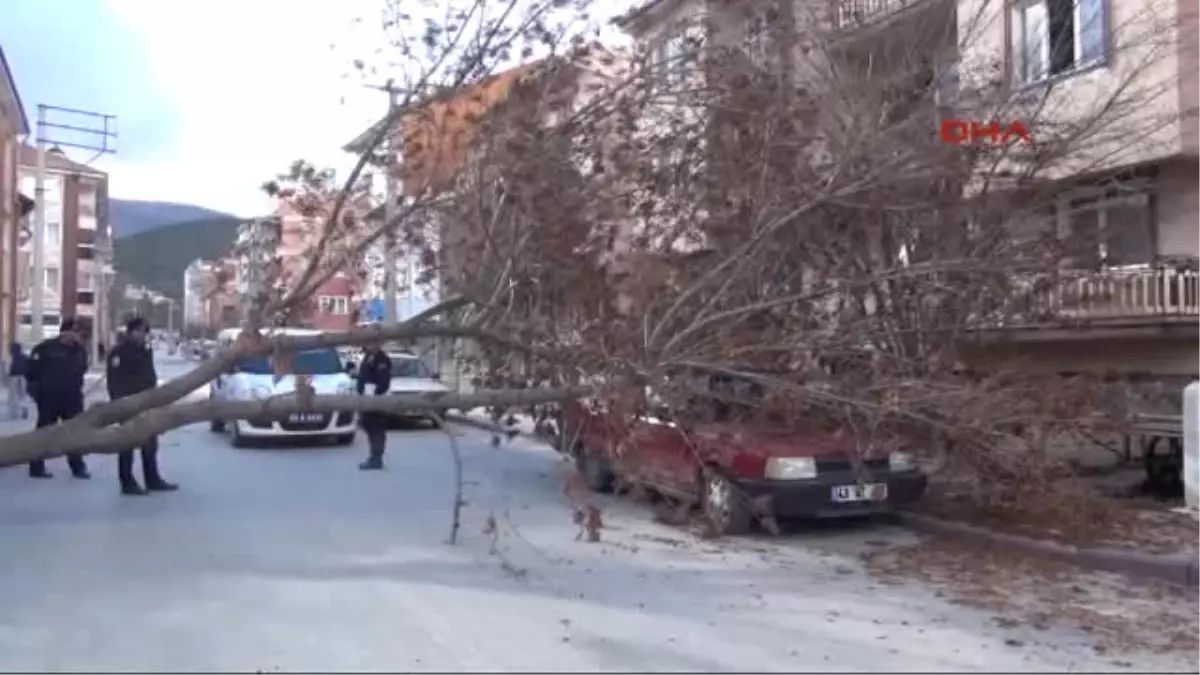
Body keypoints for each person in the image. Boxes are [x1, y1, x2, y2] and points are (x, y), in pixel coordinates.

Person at [107, 317, 177, 495]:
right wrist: (119, 404)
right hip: (128, 404)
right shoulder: (119, 352)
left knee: (150, 444)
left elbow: (150, 376)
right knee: (127, 445)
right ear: (130, 332)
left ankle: (152, 479)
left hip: (147, 404)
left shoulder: (145, 351)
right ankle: (127, 482)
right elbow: (114, 381)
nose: (142, 335)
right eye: (138, 331)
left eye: (145, 332)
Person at [26, 317, 90, 479]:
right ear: (64, 331)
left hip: (72, 399)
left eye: (79, 333)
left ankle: (77, 466)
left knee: (75, 433)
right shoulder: (45, 348)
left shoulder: (80, 350)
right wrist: (38, 395)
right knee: (44, 433)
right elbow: (31, 374)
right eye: (74, 332)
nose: (77, 336)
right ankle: (36, 466)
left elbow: (82, 370)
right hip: (49, 399)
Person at [356, 340, 393, 470]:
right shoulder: (366, 358)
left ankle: (376, 458)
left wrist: (375, 392)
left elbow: (384, 381)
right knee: (369, 427)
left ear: (377, 344)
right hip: (366, 399)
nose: (368, 346)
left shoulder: (383, 359)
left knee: (377, 429)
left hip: (378, 400)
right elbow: (361, 377)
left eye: (371, 343)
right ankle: (373, 455)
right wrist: (360, 390)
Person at [7, 342, 29, 420]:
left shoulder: (11, 358)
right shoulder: (25, 357)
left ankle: (14, 412)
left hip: (13, 377)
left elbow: (7, 369)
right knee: (23, 395)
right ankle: (24, 408)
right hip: (24, 377)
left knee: (13, 396)